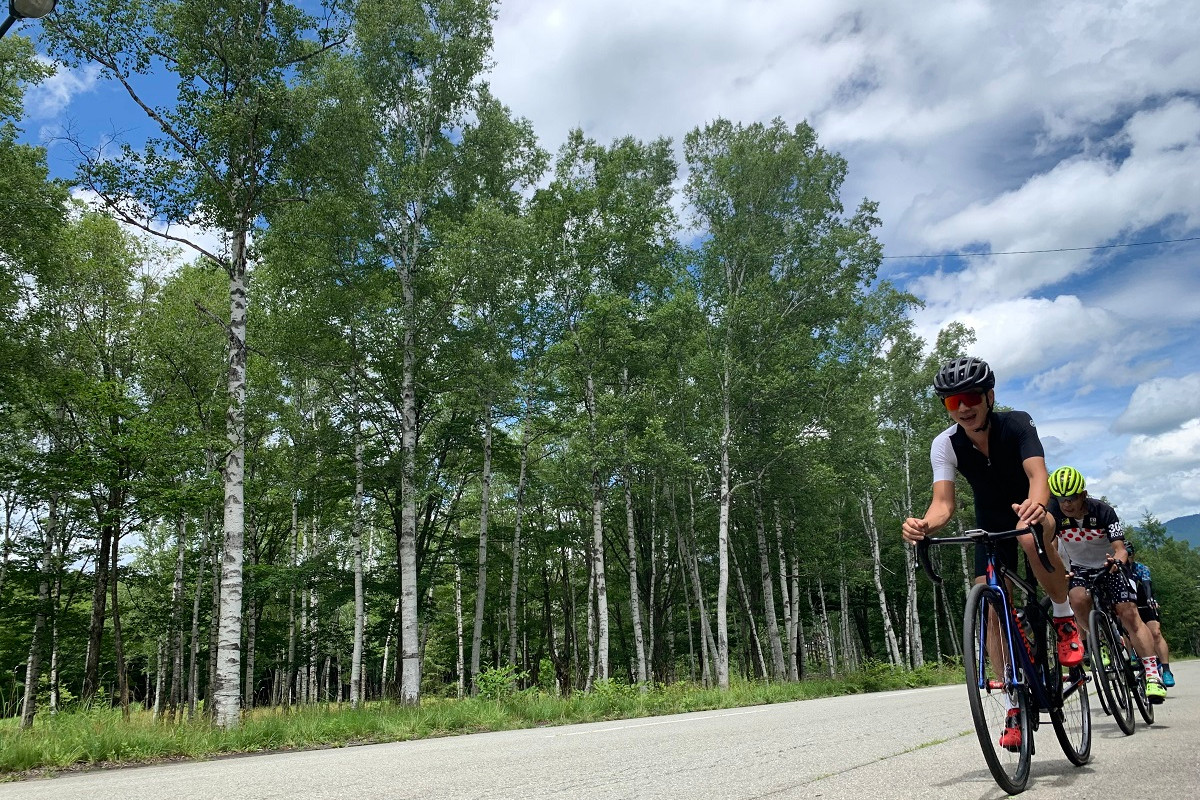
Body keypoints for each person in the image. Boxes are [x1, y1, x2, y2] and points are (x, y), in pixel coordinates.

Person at [902, 356, 1082, 751]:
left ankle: (1065, 620)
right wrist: (923, 526)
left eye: (970, 397)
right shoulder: (945, 444)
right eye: (953, 402)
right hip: (990, 518)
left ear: (989, 396)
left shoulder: (1017, 423)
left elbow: (1038, 476)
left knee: (1029, 538)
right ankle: (1015, 705)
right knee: (989, 602)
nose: (963, 407)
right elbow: (943, 505)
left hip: (1033, 505)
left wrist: (1036, 507)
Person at [1046, 466, 1165, 703]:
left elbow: (1121, 549)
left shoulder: (1103, 511)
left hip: (1109, 565)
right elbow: (1050, 546)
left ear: (1083, 494)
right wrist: (1061, 572)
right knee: (1077, 599)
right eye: (1060, 499)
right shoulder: (1055, 514)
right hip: (1080, 569)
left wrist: (1117, 563)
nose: (1066, 504)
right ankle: (1099, 642)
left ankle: (1152, 673)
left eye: (1071, 498)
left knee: (1128, 613)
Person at [1126, 542, 1175, 688]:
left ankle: (1166, 670)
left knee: (1156, 633)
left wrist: (1149, 599)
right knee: (1126, 629)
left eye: (1130, 554)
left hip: (1144, 603)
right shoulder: (1116, 570)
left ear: (1133, 555)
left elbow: (1147, 584)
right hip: (1127, 606)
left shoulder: (1141, 568)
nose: (1127, 557)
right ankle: (1132, 655)